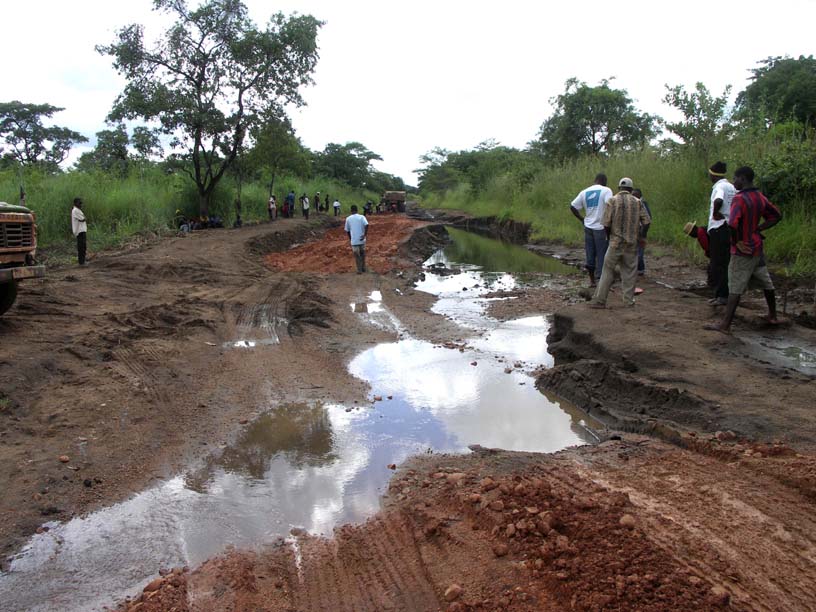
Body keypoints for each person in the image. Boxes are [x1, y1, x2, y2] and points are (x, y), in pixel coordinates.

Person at [704, 166, 782, 334]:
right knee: (766, 282)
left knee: (735, 286)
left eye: (736, 178)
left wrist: (737, 241)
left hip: (743, 249)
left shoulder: (740, 199)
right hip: (757, 247)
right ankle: (773, 315)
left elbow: (732, 224)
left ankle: (725, 324)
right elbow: (776, 215)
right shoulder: (759, 197)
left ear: (743, 179)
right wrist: (759, 228)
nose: (734, 182)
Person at [589, 178, 651, 308]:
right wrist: (641, 236)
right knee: (629, 272)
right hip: (631, 243)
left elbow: (605, 224)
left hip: (615, 243)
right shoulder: (637, 202)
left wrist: (609, 237)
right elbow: (647, 221)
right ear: (631, 189)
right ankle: (628, 301)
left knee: (607, 270)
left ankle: (600, 301)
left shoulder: (612, 200)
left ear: (619, 188)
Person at [570, 173, 613, 286]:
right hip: (601, 227)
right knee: (602, 253)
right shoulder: (606, 190)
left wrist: (582, 219)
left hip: (588, 226)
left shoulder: (584, 191)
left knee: (590, 253)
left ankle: (592, 281)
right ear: (604, 181)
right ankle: (601, 280)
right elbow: (610, 206)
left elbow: (573, 206)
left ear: (595, 180)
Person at [706, 161, 737, 306]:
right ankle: (724, 294)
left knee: (717, 263)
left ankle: (721, 296)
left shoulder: (719, 187)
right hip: (730, 227)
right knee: (726, 263)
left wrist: (716, 213)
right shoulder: (732, 186)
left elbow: (718, 200)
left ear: (713, 175)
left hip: (719, 227)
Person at [632, 188, 652, 275]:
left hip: (640, 231)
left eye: (635, 195)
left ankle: (640, 269)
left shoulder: (642, 204)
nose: (633, 196)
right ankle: (639, 269)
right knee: (635, 252)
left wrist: (643, 233)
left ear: (639, 195)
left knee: (639, 253)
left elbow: (648, 219)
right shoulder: (633, 203)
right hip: (634, 231)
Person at [344, 204, 369, 273]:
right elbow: (367, 225)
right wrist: (364, 235)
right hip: (362, 239)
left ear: (351, 210)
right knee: (362, 254)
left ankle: (359, 269)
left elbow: (347, 230)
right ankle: (363, 267)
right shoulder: (362, 217)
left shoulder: (348, 218)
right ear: (357, 210)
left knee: (357, 255)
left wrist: (350, 238)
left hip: (354, 240)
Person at [71, 197, 87, 265]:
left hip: (81, 231)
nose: (81, 204)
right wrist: (84, 218)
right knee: (81, 247)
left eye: (81, 203)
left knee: (83, 247)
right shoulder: (76, 210)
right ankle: (81, 262)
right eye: (79, 203)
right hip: (80, 231)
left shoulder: (77, 210)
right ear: (75, 203)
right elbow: (83, 219)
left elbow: (83, 219)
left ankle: (82, 261)